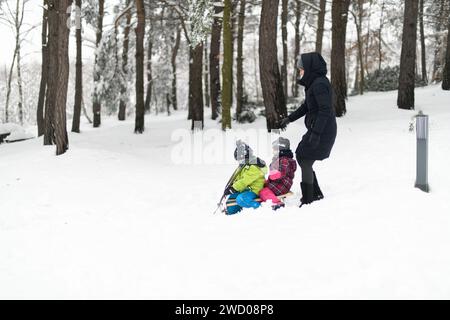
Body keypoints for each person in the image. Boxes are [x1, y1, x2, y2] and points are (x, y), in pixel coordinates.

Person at [280, 52, 337, 207]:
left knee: (304, 158)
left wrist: (317, 134)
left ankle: (309, 198)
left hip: (323, 130)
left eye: (301, 69)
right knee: (302, 156)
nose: (300, 72)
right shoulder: (314, 83)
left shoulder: (319, 84)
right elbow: (307, 106)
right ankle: (314, 193)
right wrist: (289, 118)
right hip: (317, 128)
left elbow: (325, 110)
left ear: (310, 68)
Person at [224, 141, 268, 215]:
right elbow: (238, 178)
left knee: (241, 199)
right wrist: (231, 186)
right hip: (245, 189)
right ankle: (232, 212)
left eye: (240, 160)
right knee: (231, 199)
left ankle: (260, 208)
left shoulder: (253, 166)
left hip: (254, 190)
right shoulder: (243, 165)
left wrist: (234, 188)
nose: (239, 162)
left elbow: (245, 180)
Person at [259, 137, 297, 210]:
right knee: (261, 186)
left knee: (263, 192)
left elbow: (281, 173)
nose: (273, 151)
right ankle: (270, 197)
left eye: (274, 149)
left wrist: (270, 177)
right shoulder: (279, 159)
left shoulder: (284, 160)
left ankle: (277, 203)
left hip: (282, 184)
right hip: (279, 183)